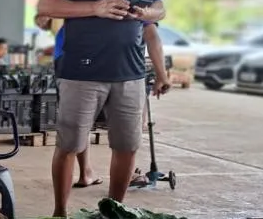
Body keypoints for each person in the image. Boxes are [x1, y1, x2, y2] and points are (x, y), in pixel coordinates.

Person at [36, 0, 165, 217]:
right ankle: (60, 214)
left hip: (130, 71)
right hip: (82, 71)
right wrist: (95, 7)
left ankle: (113, 212)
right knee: (69, 145)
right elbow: (46, 5)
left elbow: (160, 9)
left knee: (127, 146)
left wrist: (144, 12)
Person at [36, 14, 170, 188]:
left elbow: (151, 30)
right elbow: (47, 16)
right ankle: (84, 176)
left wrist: (162, 74)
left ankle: (110, 176)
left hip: (119, 67)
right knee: (77, 130)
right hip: (78, 64)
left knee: (122, 136)